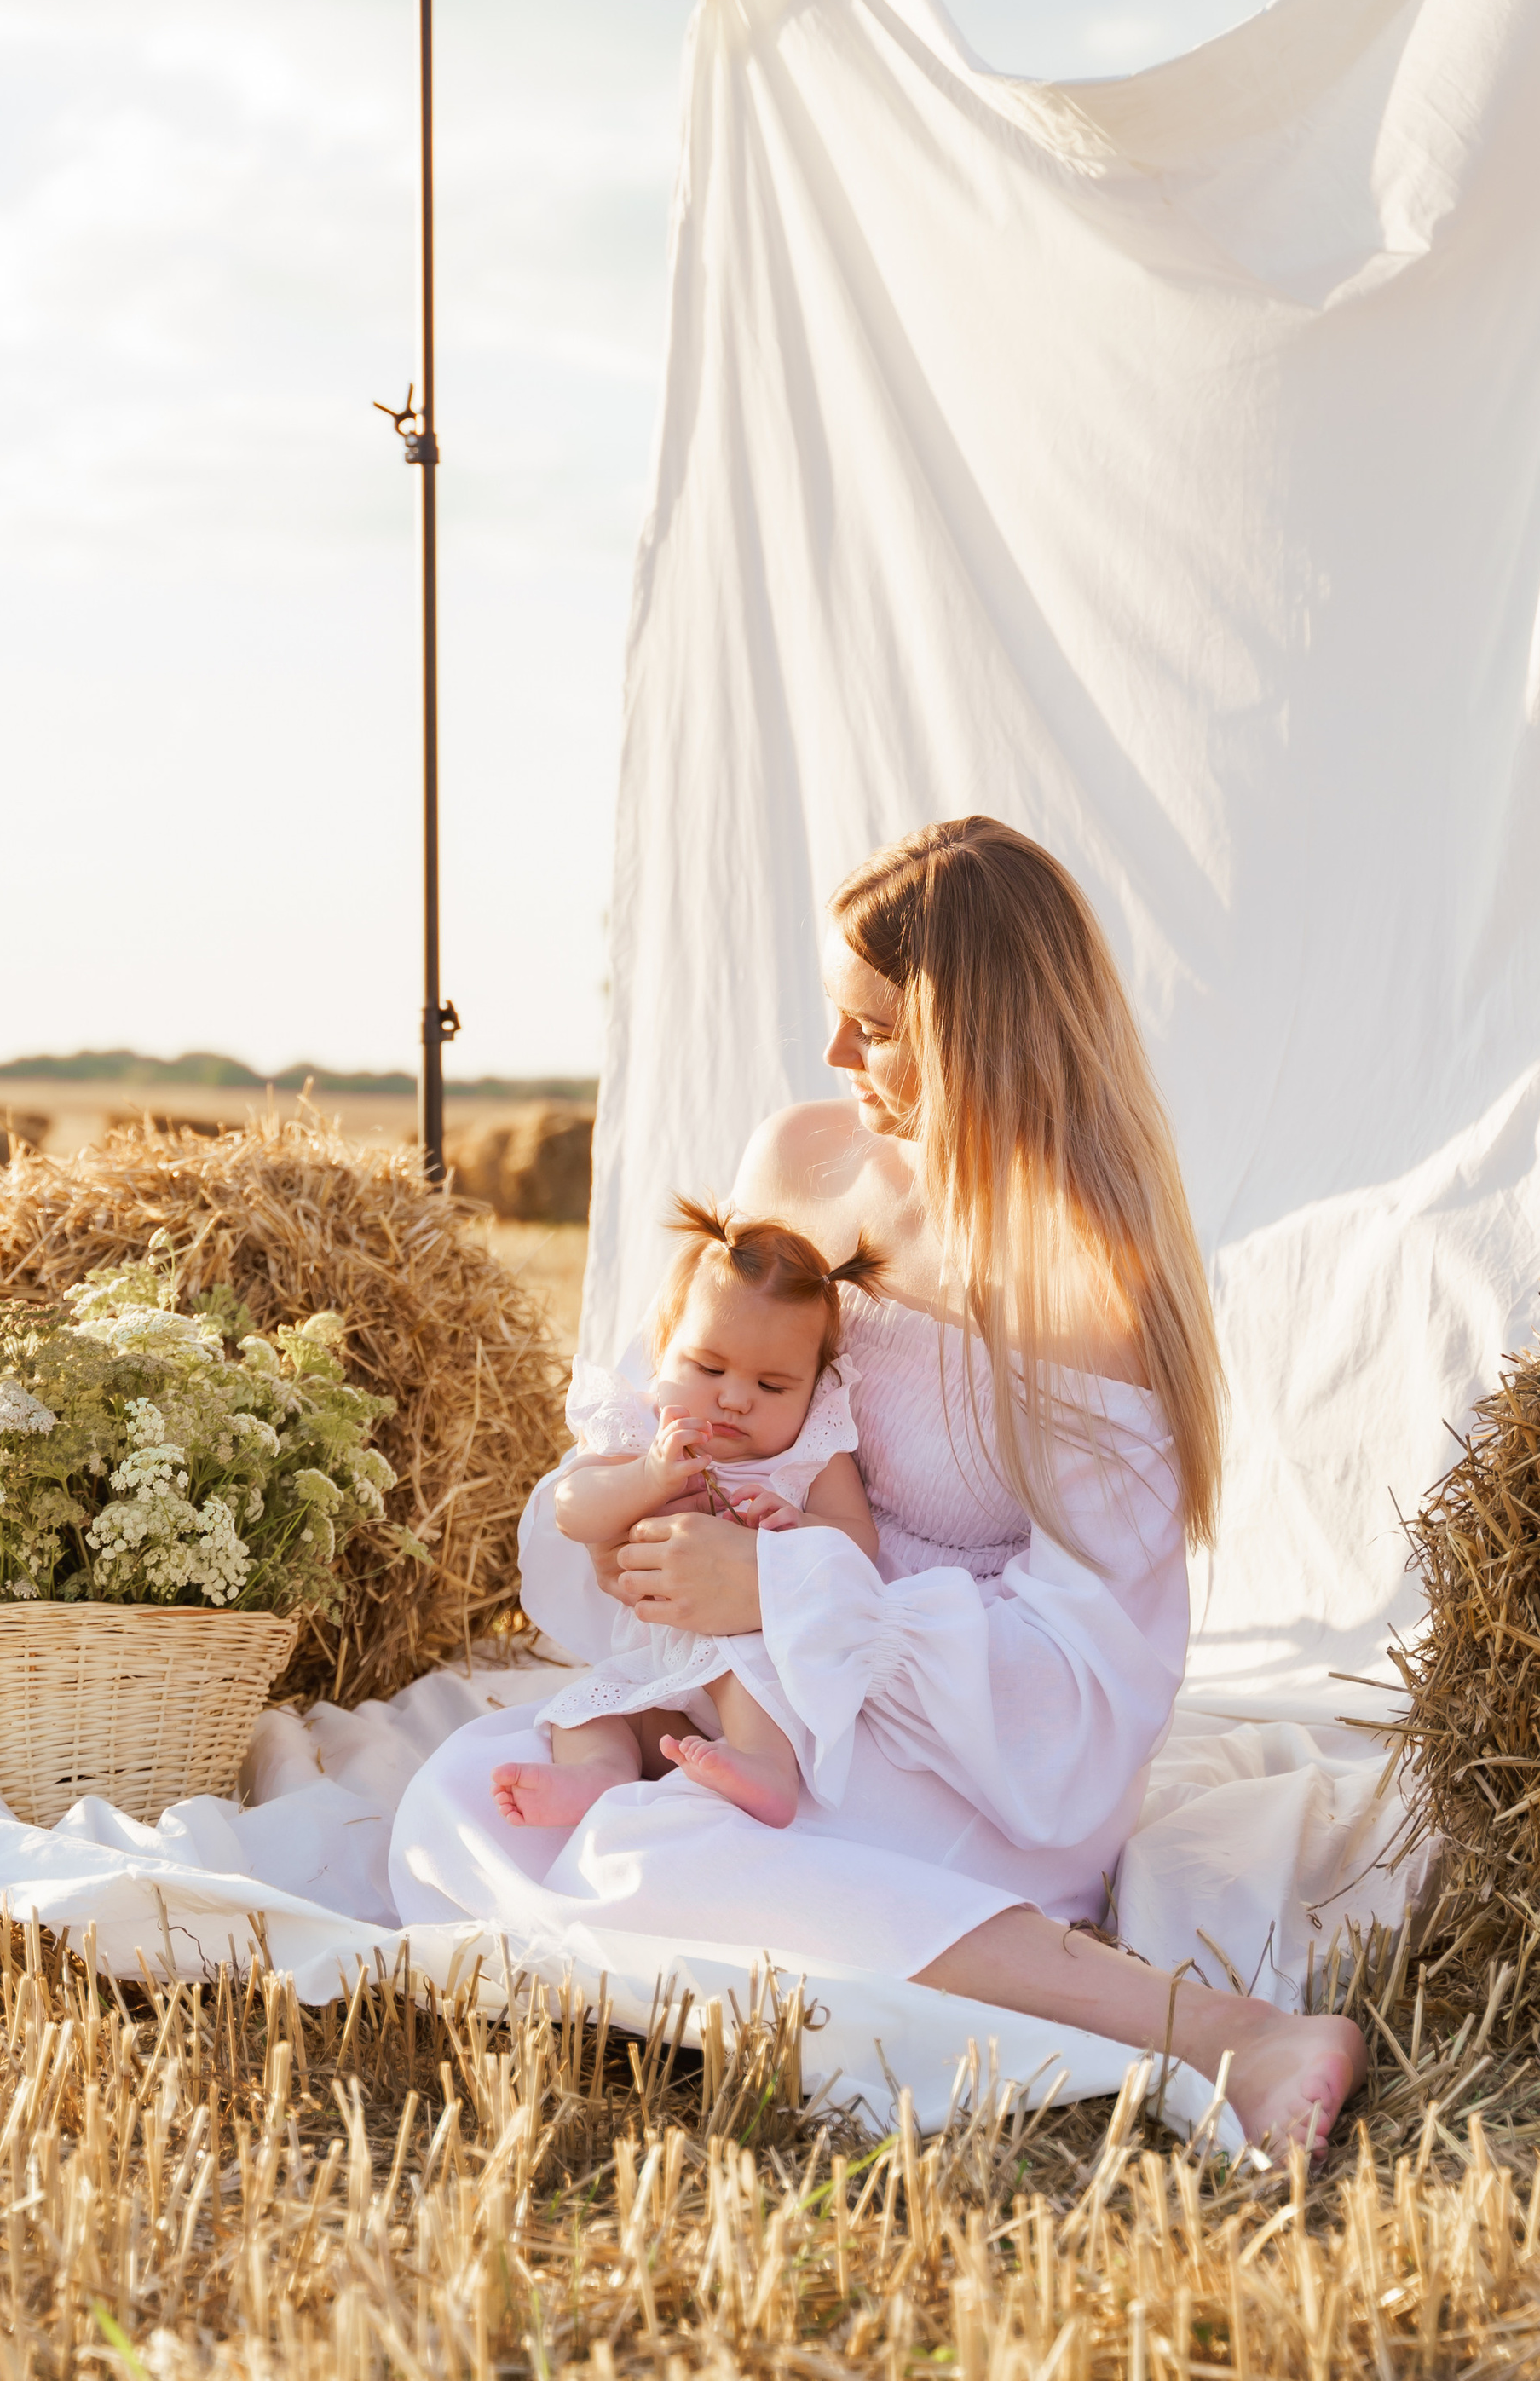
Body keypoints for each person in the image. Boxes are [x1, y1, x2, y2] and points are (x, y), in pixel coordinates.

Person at [390, 817, 1364, 2157]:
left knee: (653, 1853)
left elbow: (1088, 1663)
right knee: (468, 1796)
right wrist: (653, 1528)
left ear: (985, 1036)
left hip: (962, 1730)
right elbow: (675, 1387)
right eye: (836, 1019)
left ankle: (1223, 2035)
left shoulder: (1089, 1282)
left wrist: (787, 1590)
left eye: (880, 1029)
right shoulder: (805, 1161)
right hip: (760, 1682)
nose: (840, 1057)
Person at [489, 1198, 882, 1831]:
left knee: (745, 1667)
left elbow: (859, 1544)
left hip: (755, 1662)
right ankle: (599, 1775)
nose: (734, 1398)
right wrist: (647, 1475)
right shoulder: (640, 1427)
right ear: (662, 1350)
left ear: (815, 1387)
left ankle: (764, 1767)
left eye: (773, 1386)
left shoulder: (810, 1453)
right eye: (708, 1367)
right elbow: (574, 1511)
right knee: (586, 1709)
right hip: (656, 1661)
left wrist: (800, 1528)